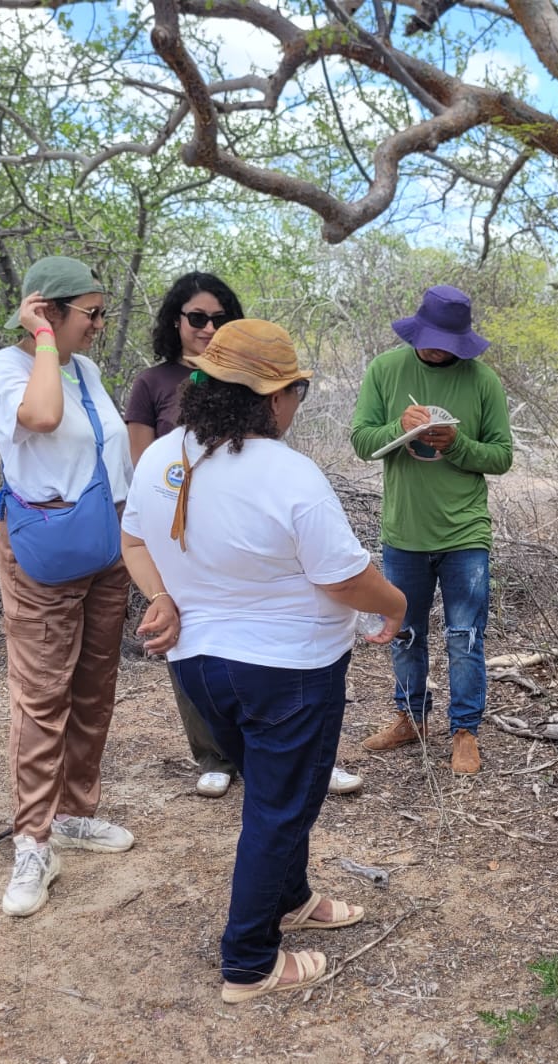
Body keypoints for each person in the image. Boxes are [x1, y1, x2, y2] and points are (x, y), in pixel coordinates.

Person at [120, 319, 406, 1002]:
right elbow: (344, 579)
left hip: (200, 668)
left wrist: (162, 596)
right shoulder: (287, 472)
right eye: (296, 393)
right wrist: (397, 604)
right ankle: (248, 963)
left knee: (277, 794)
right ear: (276, 397)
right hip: (288, 673)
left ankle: (291, 898)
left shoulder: (161, 456)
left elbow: (133, 541)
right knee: (279, 809)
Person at [126, 273, 364, 800]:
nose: (207, 327)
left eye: (219, 319)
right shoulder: (158, 399)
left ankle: (289, 762)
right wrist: (394, 605)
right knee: (277, 802)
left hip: (221, 594)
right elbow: (141, 484)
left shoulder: (272, 464)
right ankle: (222, 758)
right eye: (197, 318)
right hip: (191, 538)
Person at [0, 256, 137, 918]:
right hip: (46, 547)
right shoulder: (8, 367)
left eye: (102, 312)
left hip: (105, 543)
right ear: (48, 310)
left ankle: (74, 812)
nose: (100, 324)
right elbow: (41, 418)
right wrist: (43, 337)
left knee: (94, 685)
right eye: (90, 313)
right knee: (43, 695)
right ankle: (33, 841)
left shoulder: (86, 370)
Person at [350, 285, 514, 774]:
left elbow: (502, 456)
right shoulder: (385, 370)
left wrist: (457, 444)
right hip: (405, 531)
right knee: (405, 632)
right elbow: (362, 441)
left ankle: (465, 731)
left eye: (450, 343)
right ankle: (411, 718)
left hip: (465, 532)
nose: (440, 350)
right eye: (433, 340)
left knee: (465, 635)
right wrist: (398, 430)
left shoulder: (483, 381)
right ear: (416, 332)